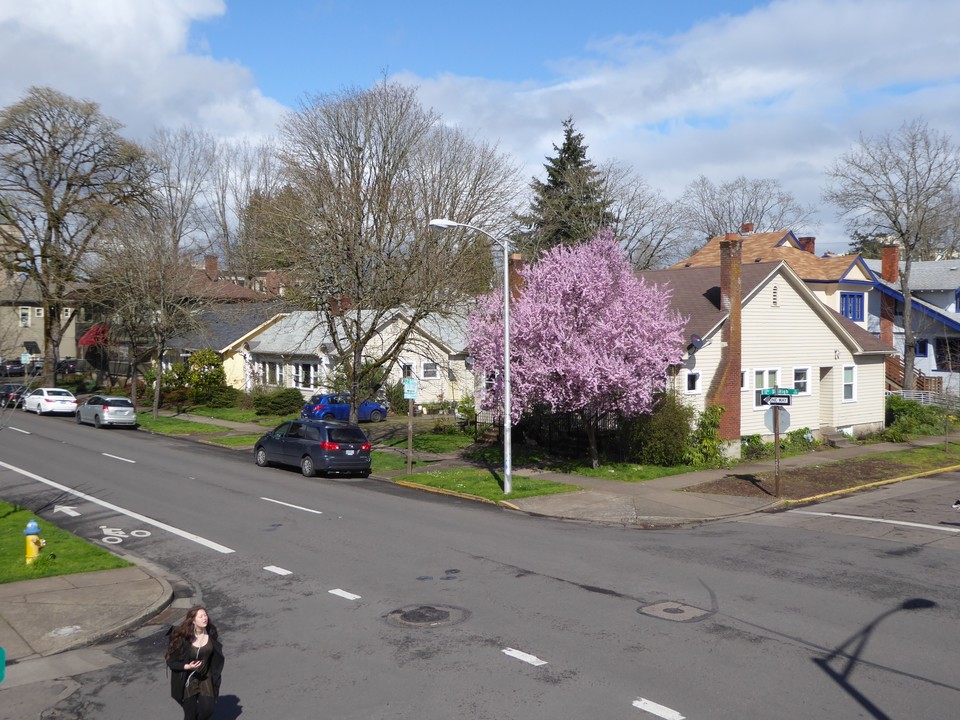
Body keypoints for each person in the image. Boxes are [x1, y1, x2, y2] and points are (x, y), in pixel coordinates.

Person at [165, 606, 224, 720]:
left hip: (205, 677)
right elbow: (171, 662)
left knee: (208, 710)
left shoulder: (211, 633)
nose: (204, 618)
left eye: (205, 615)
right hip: (188, 679)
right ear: (193, 620)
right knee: (190, 715)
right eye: (200, 616)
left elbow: (215, 656)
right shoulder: (183, 639)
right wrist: (187, 666)